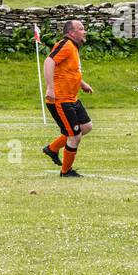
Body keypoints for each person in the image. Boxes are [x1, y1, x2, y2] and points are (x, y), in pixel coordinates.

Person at [40, 20, 94, 177]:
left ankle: (52, 148)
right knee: (74, 135)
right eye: (81, 29)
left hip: (72, 98)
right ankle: (66, 171)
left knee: (86, 127)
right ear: (71, 33)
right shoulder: (65, 44)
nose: (84, 31)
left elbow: (68, 70)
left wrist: (82, 84)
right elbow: (49, 62)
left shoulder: (73, 48)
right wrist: (50, 88)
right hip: (60, 100)